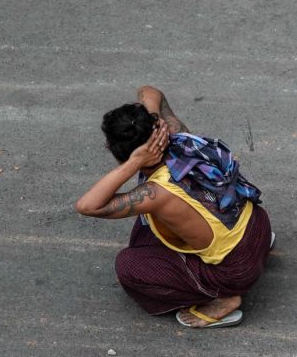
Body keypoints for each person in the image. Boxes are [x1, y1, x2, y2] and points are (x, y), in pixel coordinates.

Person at [75, 86, 272, 328]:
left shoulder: (157, 193)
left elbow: (88, 206)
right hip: (258, 226)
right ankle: (258, 250)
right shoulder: (180, 137)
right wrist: (155, 120)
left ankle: (224, 299)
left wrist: (134, 163)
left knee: (128, 265)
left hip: (238, 270)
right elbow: (149, 91)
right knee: (146, 228)